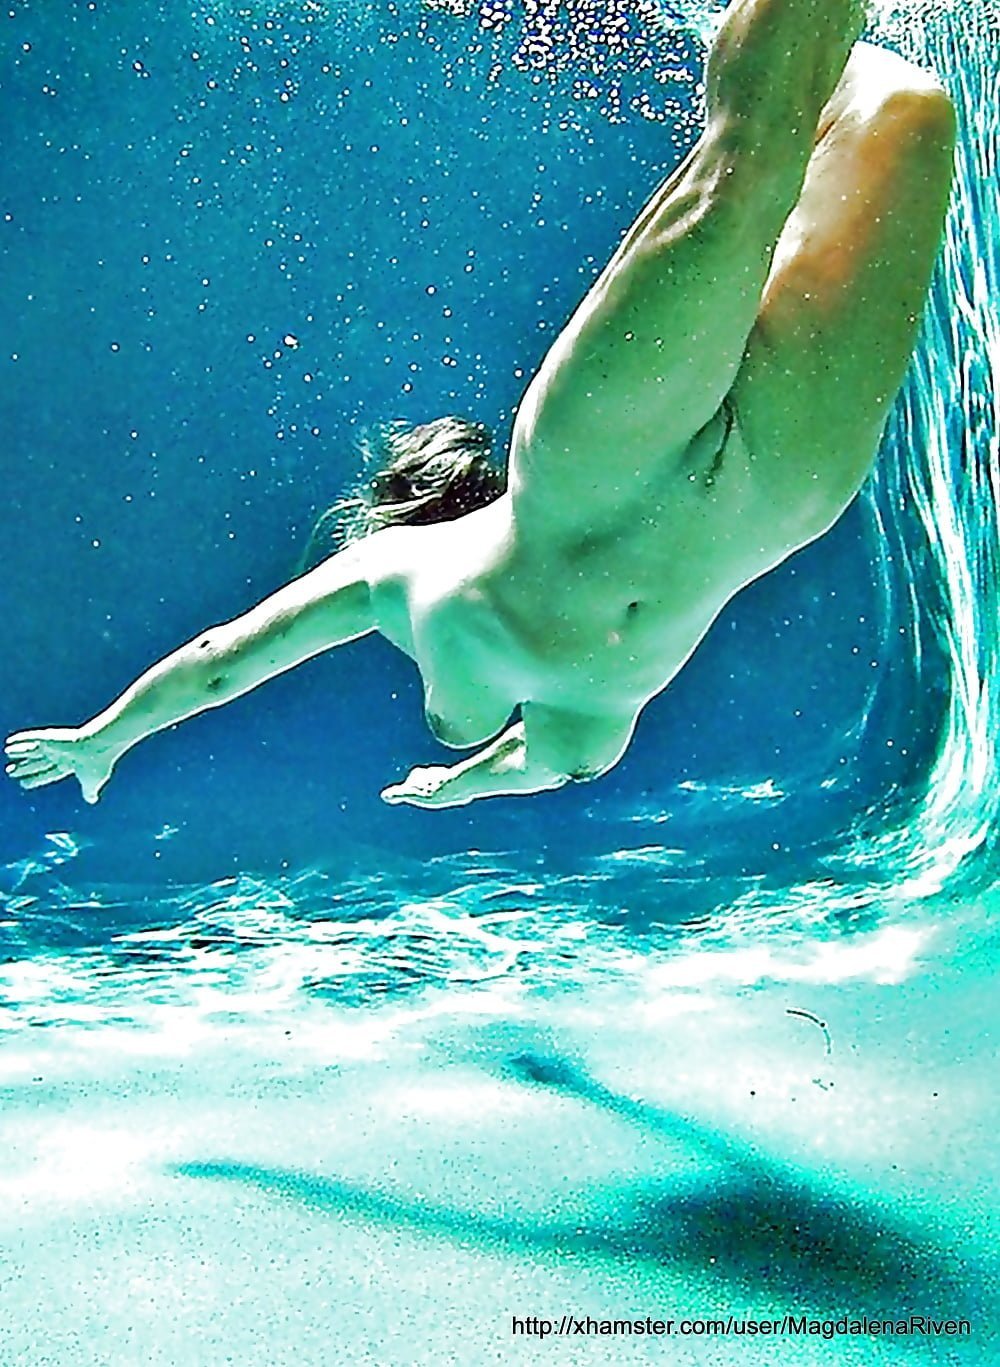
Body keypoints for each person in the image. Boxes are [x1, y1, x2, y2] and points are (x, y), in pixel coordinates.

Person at [5, 0, 956, 811]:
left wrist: (106, 734)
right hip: (778, 494)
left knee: (746, 172)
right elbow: (536, 764)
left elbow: (227, 658)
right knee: (906, 109)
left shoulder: (399, 567)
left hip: (607, 462)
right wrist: (455, 787)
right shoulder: (573, 724)